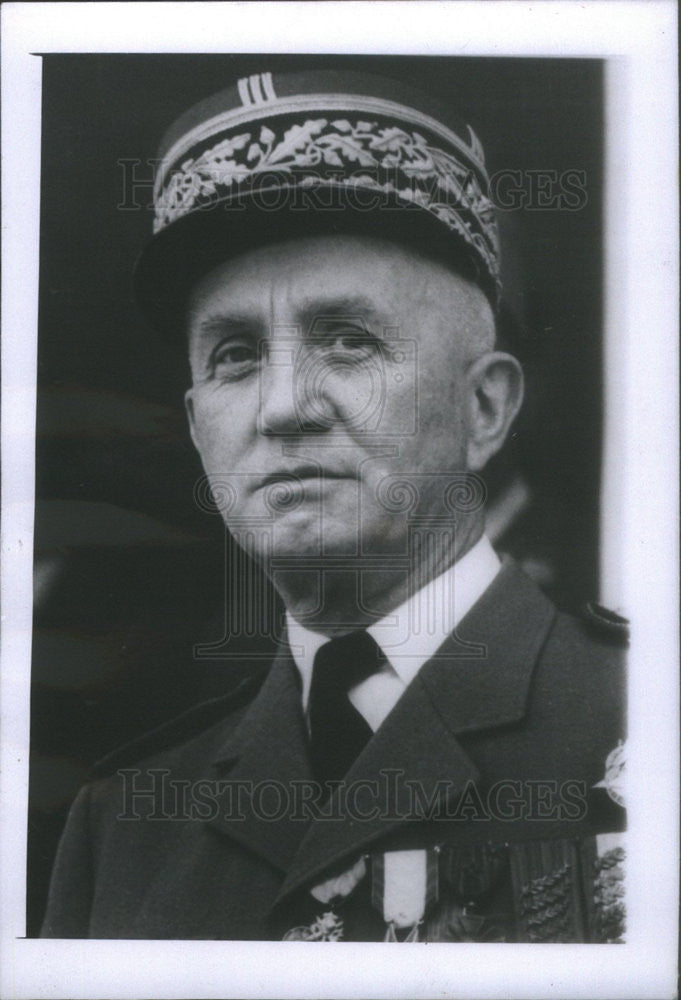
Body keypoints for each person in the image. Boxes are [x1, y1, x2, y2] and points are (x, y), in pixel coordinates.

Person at [41, 67, 626, 942]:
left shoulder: (640, 714)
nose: (282, 408)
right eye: (235, 355)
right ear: (200, 428)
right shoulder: (124, 824)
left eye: (347, 340)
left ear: (485, 409)